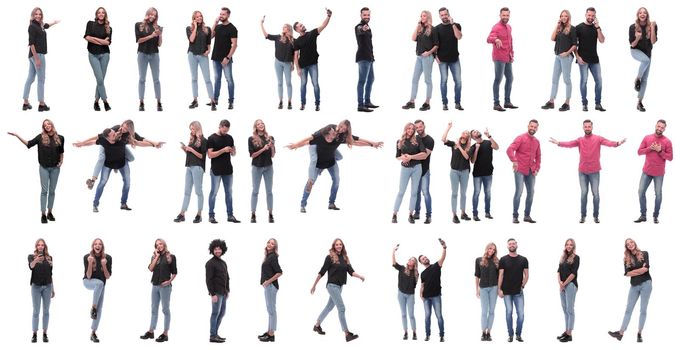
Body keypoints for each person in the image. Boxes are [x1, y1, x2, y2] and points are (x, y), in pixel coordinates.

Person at [287, 122, 382, 213]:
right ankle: (303, 204)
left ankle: (331, 203)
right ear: (324, 135)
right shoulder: (319, 137)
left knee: (337, 180)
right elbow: (307, 141)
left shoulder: (338, 138)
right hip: (317, 164)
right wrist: (296, 145)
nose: (329, 138)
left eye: (332, 136)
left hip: (330, 162)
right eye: (327, 136)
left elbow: (355, 142)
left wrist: (371, 144)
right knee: (310, 182)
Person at [549, 119, 626, 223]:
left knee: (596, 194)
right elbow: (570, 144)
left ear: (592, 127)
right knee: (584, 193)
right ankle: (583, 216)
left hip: (595, 171)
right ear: (583, 127)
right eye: (585, 126)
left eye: (589, 126)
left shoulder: (598, 138)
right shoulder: (580, 140)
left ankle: (596, 216)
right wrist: (558, 143)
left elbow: (608, 143)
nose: (587, 128)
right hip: (582, 172)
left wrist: (617, 143)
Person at [74, 125, 157, 212]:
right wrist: (81, 144)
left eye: (115, 132)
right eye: (113, 135)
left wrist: (154, 144)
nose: (116, 134)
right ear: (107, 138)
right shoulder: (103, 141)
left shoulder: (122, 138)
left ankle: (123, 204)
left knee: (127, 182)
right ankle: (95, 204)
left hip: (122, 162)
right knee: (102, 182)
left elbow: (138, 143)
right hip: (108, 164)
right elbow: (91, 142)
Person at [79, 120, 163, 190]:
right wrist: (82, 143)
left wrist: (154, 144)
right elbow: (98, 137)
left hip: (119, 146)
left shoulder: (128, 135)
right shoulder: (115, 129)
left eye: (126, 129)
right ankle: (93, 180)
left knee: (132, 158)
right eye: (124, 127)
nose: (124, 130)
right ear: (122, 124)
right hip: (106, 144)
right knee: (101, 158)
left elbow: (140, 140)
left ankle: (116, 165)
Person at [8, 119, 64, 223]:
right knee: (44, 191)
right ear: (44, 127)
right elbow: (28, 143)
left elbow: (61, 152)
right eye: (45, 125)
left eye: (48, 124)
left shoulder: (60, 138)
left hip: (55, 169)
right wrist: (17, 135)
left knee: (52, 191)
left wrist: (61, 161)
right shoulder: (40, 137)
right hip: (44, 168)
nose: (47, 126)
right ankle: (43, 214)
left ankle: (50, 213)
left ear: (52, 124)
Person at [311, 238, 364, 342]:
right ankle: (347, 333)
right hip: (331, 286)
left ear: (342, 246)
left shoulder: (345, 258)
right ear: (334, 246)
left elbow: (351, 271)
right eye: (337, 245)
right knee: (342, 308)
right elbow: (322, 272)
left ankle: (317, 325)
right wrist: (314, 285)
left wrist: (360, 276)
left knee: (329, 307)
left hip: (340, 287)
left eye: (340, 244)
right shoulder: (330, 257)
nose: (339, 246)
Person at [608, 238, 652, 343]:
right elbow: (627, 274)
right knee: (628, 309)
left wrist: (633, 271)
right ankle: (620, 333)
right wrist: (639, 270)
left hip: (646, 284)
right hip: (634, 286)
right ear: (627, 247)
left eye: (631, 242)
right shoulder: (626, 259)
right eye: (628, 244)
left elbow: (646, 269)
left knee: (643, 310)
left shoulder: (644, 253)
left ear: (635, 243)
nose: (630, 244)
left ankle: (639, 333)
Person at [634, 119, 673, 224]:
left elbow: (670, 158)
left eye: (662, 127)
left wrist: (660, 151)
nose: (659, 129)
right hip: (646, 171)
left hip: (659, 173)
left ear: (664, 129)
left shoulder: (667, 141)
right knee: (641, 192)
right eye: (658, 126)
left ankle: (655, 216)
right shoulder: (647, 138)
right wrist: (649, 149)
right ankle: (643, 215)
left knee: (658, 194)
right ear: (655, 125)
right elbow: (639, 152)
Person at [293, 8, 332, 111]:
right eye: (300, 26)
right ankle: (303, 103)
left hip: (313, 64)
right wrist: (298, 69)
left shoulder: (312, 33)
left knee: (315, 84)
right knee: (303, 85)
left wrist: (328, 16)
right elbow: (295, 56)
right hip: (303, 66)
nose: (302, 25)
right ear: (297, 30)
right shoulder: (297, 41)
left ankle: (317, 104)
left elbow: (323, 25)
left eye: (302, 24)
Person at [140, 239, 177, 343]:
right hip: (155, 285)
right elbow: (151, 269)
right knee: (154, 309)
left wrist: (169, 281)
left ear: (164, 244)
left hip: (165, 287)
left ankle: (165, 333)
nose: (159, 246)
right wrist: (156, 256)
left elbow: (174, 272)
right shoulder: (154, 257)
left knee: (165, 309)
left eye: (160, 243)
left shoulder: (171, 257)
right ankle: (151, 331)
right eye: (157, 245)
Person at [23, 7, 59, 112]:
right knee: (41, 80)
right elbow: (31, 43)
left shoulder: (40, 25)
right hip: (37, 55)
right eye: (36, 14)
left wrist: (54, 22)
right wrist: (37, 58)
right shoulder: (32, 26)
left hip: (33, 56)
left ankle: (25, 102)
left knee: (30, 78)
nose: (38, 16)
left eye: (40, 14)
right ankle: (42, 104)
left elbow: (46, 26)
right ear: (33, 15)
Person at [402, 11, 438, 112]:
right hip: (418, 57)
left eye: (424, 15)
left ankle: (427, 102)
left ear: (428, 17)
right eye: (421, 16)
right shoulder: (420, 29)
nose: (422, 17)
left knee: (427, 80)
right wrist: (417, 26)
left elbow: (436, 45)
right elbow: (413, 38)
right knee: (414, 79)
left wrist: (429, 52)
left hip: (427, 57)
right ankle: (412, 101)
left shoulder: (433, 29)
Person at [541, 10, 577, 112]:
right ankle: (551, 101)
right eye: (562, 16)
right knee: (554, 79)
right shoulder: (560, 28)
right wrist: (557, 26)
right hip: (557, 56)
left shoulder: (572, 29)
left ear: (568, 17)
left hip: (566, 57)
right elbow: (552, 38)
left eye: (565, 16)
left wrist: (566, 53)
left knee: (566, 79)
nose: (563, 17)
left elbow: (575, 44)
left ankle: (567, 103)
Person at [507, 120, 541, 224]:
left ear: (537, 128)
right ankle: (515, 216)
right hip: (520, 169)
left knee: (531, 193)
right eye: (531, 126)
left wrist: (537, 169)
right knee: (519, 192)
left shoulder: (536, 141)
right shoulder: (520, 138)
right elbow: (509, 149)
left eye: (535, 127)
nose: (533, 128)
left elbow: (538, 156)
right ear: (528, 126)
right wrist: (514, 161)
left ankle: (527, 216)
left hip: (531, 170)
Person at [392, 123, 427, 223]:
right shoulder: (400, 141)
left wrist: (411, 157)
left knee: (414, 192)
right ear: (405, 129)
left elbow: (424, 154)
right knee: (401, 191)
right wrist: (403, 158)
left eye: (412, 129)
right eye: (409, 128)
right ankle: (394, 214)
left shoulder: (417, 139)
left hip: (417, 168)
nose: (411, 130)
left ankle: (410, 214)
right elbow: (397, 156)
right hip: (405, 168)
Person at [207, 119, 240, 224]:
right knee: (213, 193)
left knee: (229, 193)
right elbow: (209, 155)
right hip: (216, 170)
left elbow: (234, 154)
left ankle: (230, 215)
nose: (225, 132)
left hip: (228, 170)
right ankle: (211, 216)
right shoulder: (211, 138)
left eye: (227, 130)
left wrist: (233, 151)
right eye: (224, 130)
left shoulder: (230, 138)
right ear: (220, 126)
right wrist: (223, 150)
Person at [174, 121, 207, 224]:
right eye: (190, 129)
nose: (191, 131)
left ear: (198, 128)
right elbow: (190, 155)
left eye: (193, 129)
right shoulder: (192, 140)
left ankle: (199, 214)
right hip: (189, 167)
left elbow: (202, 156)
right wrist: (185, 149)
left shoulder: (203, 140)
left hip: (198, 167)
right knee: (186, 191)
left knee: (198, 191)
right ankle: (182, 213)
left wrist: (191, 150)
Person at [498, 238, 528, 343]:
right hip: (506, 292)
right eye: (510, 244)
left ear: (516, 245)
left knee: (521, 314)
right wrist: (499, 289)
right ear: (507, 246)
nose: (512, 245)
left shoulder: (523, 259)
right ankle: (510, 335)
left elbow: (527, 275)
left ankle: (518, 334)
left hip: (518, 292)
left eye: (513, 243)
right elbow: (500, 275)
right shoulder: (503, 259)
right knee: (509, 312)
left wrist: (522, 285)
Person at [575, 7, 606, 112]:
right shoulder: (578, 27)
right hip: (583, 60)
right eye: (589, 15)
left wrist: (597, 27)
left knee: (599, 82)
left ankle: (598, 104)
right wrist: (577, 57)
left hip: (594, 59)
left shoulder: (596, 27)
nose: (591, 17)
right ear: (585, 14)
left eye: (593, 16)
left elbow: (602, 40)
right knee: (583, 81)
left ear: (595, 16)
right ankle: (584, 103)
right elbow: (574, 45)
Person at [487, 7, 518, 111]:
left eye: (507, 15)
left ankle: (507, 102)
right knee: (498, 79)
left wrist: (511, 55)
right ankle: (496, 104)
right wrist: (495, 39)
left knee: (510, 78)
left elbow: (510, 42)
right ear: (500, 15)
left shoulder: (509, 27)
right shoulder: (496, 27)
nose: (505, 17)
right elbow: (489, 38)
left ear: (509, 15)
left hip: (507, 57)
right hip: (499, 57)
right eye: (503, 15)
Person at [260, 17, 294, 109]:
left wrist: (293, 64)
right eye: (283, 27)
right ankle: (280, 101)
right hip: (278, 62)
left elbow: (294, 54)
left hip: (287, 63)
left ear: (289, 29)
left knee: (288, 82)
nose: (283, 28)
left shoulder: (293, 40)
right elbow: (266, 35)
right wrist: (261, 24)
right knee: (279, 83)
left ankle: (290, 101)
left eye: (285, 27)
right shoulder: (278, 37)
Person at [83, 238, 112, 343]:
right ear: (93, 246)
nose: (97, 245)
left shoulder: (108, 258)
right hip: (88, 281)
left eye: (100, 244)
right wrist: (90, 263)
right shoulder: (87, 257)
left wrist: (104, 265)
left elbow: (108, 276)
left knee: (99, 310)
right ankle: (93, 308)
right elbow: (89, 276)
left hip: (101, 286)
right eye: (95, 244)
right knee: (99, 283)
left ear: (102, 246)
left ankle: (93, 333)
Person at [442, 121, 471, 223]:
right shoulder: (454, 144)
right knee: (454, 193)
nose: (465, 133)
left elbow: (466, 157)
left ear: (468, 137)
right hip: (454, 171)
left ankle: (463, 213)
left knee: (463, 193)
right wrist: (448, 127)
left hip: (465, 172)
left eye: (467, 133)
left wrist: (459, 147)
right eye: (464, 132)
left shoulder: (469, 147)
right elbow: (443, 139)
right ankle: (454, 214)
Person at [629, 7, 658, 112]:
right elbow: (632, 44)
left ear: (647, 15)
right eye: (640, 13)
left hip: (648, 53)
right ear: (638, 15)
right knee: (646, 61)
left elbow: (653, 42)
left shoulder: (652, 26)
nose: (642, 14)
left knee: (645, 80)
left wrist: (653, 28)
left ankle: (639, 102)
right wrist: (637, 37)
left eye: (644, 13)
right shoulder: (633, 27)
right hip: (635, 51)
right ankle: (637, 79)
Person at [84, 7, 112, 111]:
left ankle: (96, 102)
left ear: (105, 15)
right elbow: (86, 37)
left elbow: (107, 43)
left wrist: (93, 39)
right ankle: (105, 101)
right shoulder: (90, 24)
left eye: (103, 13)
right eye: (99, 12)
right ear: (96, 14)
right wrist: (101, 41)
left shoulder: (108, 28)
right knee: (100, 79)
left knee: (101, 80)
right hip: (93, 55)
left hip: (105, 55)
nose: (101, 14)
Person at [187, 10, 216, 111]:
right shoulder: (189, 28)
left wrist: (209, 50)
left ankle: (212, 101)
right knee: (194, 78)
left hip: (203, 56)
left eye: (200, 16)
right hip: (192, 55)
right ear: (193, 19)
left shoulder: (206, 29)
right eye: (197, 17)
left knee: (207, 79)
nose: (199, 18)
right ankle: (195, 100)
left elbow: (209, 42)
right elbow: (191, 40)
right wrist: (194, 27)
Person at [435, 7, 463, 111]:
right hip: (442, 60)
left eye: (445, 14)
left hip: (454, 59)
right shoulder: (437, 29)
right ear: (440, 16)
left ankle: (458, 103)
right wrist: (435, 56)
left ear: (448, 14)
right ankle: (444, 103)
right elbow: (435, 44)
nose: (444, 16)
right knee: (444, 81)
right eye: (442, 15)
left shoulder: (456, 25)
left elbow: (459, 37)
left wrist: (453, 25)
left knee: (458, 82)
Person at [135, 7, 163, 112]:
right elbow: (138, 40)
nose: (152, 16)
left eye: (154, 15)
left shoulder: (158, 27)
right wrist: (151, 35)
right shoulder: (139, 25)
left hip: (154, 54)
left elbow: (159, 44)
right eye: (151, 14)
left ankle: (159, 102)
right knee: (142, 79)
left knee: (156, 79)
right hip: (142, 54)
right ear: (147, 14)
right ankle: (141, 102)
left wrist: (160, 35)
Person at [419, 238, 447, 342]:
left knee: (439, 316)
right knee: (427, 317)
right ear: (421, 262)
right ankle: (427, 335)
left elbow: (443, 257)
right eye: (423, 259)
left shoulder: (436, 266)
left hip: (436, 296)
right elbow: (422, 285)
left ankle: (441, 335)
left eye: (425, 257)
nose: (425, 259)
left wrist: (444, 247)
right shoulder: (422, 274)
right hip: (426, 297)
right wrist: (420, 295)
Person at [248, 119, 275, 223]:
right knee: (255, 191)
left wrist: (272, 147)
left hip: (268, 167)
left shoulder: (270, 138)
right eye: (258, 124)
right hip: (257, 167)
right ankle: (253, 214)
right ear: (255, 126)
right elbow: (252, 155)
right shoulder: (251, 139)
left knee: (269, 191)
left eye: (262, 123)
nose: (261, 125)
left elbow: (272, 155)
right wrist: (263, 149)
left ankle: (270, 213)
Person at [28, 238, 55, 343]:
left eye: (42, 245)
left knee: (46, 311)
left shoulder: (49, 258)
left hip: (48, 286)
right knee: (36, 311)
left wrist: (53, 288)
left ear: (45, 247)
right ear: (36, 246)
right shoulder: (31, 257)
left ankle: (45, 333)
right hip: (36, 287)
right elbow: (31, 266)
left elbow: (51, 274)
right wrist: (36, 260)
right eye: (38, 245)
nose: (40, 246)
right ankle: (34, 334)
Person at [211, 7, 237, 109]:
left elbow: (234, 45)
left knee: (229, 80)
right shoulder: (218, 27)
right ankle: (215, 100)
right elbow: (209, 37)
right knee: (217, 79)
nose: (221, 16)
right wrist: (215, 23)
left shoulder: (232, 28)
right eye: (220, 14)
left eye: (223, 14)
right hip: (216, 57)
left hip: (226, 59)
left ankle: (231, 102)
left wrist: (227, 57)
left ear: (228, 15)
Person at [470, 128, 499, 221]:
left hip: (488, 173)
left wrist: (489, 136)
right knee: (476, 193)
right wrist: (477, 149)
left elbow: (497, 147)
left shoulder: (488, 142)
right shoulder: (473, 146)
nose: (476, 132)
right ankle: (475, 214)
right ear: (473, 137)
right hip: (477, 174)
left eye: (476, 131)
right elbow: (472, 161)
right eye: (474, 132)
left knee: (488, 193)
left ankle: (487, 213)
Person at [392, 244, 418, 340]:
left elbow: (414, 286)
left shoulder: (416, 273)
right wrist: (393, 252)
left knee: (411, 315)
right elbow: (394, 263)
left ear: (415, 263)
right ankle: (406, 332)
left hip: (410, 295)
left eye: (413, 260)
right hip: (401, 294)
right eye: (410, 259)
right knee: (403, 314)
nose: (410, 261)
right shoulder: (402, 268)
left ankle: (414, 332)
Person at [258, 238, 283, 342]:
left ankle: (271, 334)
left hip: (271, 286)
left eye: (272, 244)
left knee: (271, 310)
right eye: (268, 242)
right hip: (268, 287)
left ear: (274, 247)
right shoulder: (268, 256)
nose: (269, 244)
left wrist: (268, 282)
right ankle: (269, 331)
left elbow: (279, 272)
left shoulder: (273, 257)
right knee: (270, 310)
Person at [206, 239, 229, 343]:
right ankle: (212, 336)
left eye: (219, 249)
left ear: (222, 249)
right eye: (215, 249)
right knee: (215, 313)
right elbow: (208, 279)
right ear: (212, 250)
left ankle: (215, 334)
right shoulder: (210, 263)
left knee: (222, 313)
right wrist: (212, 293)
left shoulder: (223, 263)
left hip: (223, 292)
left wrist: (227, 290)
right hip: (216, 293)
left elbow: (227, 277)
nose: (218, 251)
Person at [556, 238, 579, 343]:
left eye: (571, 245)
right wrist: (560, 283)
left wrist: (564, 284)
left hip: (570, 285)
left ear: (573, 247)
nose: (569, 246)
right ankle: (566, 331)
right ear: (565, 246)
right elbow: (558, 271)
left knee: (570, 309)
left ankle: (570, 334)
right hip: (562, 286)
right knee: (565, 309)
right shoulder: (562, 258)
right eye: (567, 244)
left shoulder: (576, 258)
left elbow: (573, 273)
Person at [355, 7, 378, 112]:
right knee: (362, 81)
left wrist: (372, 57)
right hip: (363, 58)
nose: (367, 17)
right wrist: (363, 29)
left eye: (368, 15)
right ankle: (360, 105)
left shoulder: (368, 27)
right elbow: (360, 31)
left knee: (371, 79)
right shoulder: (359, 26)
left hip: (369, 58)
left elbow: (369, 43)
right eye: (365, 15)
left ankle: (367, 102)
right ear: (361, 15)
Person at [475, 242, 499, 341]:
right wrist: (477, 289)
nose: (492, 251)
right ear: (487, 249)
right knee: (484, 311)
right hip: (483, 288)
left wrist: (499, 288)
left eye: (493, 250)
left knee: (492, 311)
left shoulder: (497, 261)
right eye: (490, 249)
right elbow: (477, 276)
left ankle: (489, 333)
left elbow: (499, 276)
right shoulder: (479, 260)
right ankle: (483, 332)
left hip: (494, 288)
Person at [413, 120, 434, 224]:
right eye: (416, 127)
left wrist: (412, 155)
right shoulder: (413, 138)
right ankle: (416, 213)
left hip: (424, 170)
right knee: (416, 193)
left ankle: (429, 216)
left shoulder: (430, 140)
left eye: (420, 126)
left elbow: (425, 155)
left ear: (424, 126)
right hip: (415, 170)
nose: (418, 129)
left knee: (425, 193)